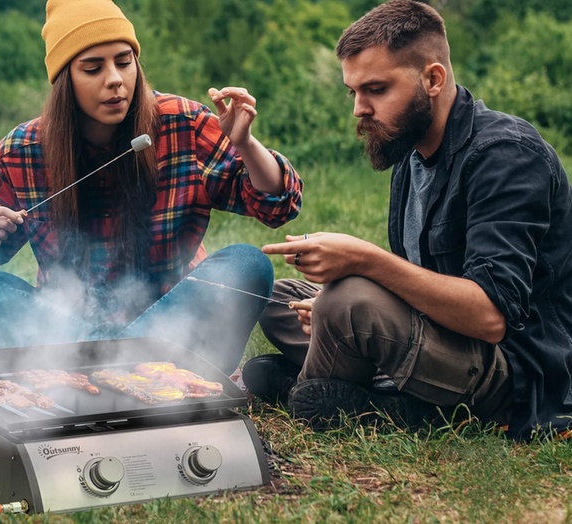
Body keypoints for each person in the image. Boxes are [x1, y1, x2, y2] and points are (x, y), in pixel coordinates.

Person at [244, 0, 572, 440]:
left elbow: (491, 317)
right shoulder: (411, 156)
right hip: (442, 335)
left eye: (376, 89)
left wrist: (365, 263)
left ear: (433, 79)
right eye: (354, 92)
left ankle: (348, 399)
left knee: (347, 303)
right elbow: (420, 284)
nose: (359, 108)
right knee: (279, 297)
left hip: (512, 369)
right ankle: (375, 392)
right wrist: (332, 300)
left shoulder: (508, 157)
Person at [0, 0, 303, 375]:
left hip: (171, 329)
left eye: (124, 62)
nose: (115, 79)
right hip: (65, 331)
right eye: (93, 68)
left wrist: (247, 145)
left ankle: (99, 369)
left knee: (247, 264)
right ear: (64, 80)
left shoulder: (182, 122)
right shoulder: (23, 150)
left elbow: (279, 206)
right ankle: (117, 368)